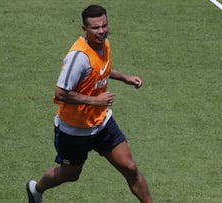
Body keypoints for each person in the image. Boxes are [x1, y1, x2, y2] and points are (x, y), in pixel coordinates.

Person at [26, 4, 153, 203]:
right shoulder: (78, 58)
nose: (101, 31)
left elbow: (101, 69)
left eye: (104, 25)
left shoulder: (105, 45)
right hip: (74, 131)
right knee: (71, 174)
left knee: (130, 167)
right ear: (84, 29)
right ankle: (36, 188)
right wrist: (95, 100)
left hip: (102, 123)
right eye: (95, 27)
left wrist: (125, 77)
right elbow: (60, 93)